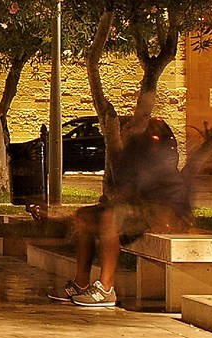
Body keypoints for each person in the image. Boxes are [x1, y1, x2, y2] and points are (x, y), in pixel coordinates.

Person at [63, 120, 193, 309]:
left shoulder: (157, 154)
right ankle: (81, 283)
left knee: (110, 218)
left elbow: (170, 192)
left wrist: (171, 219)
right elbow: (125, 192)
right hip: (141, 206)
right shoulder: (131, 152)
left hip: (164, 209)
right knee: (85, 215)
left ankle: (106, 289)